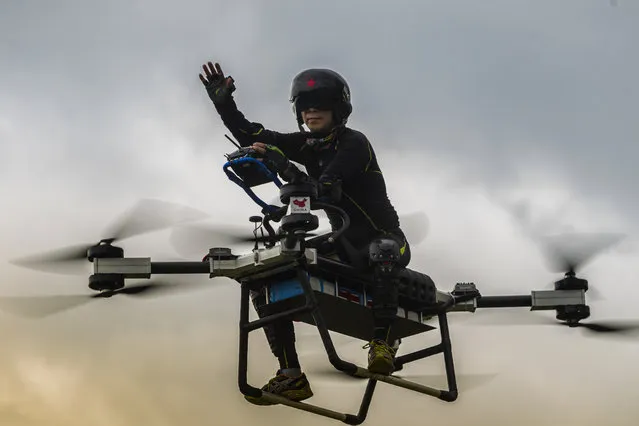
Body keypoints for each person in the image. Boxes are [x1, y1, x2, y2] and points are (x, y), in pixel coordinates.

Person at [198, 61, 411, 404]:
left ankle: (382, 343)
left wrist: (284, 165)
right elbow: (253, 136)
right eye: (305, 107)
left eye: (320, 106)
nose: (312, 113)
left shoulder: (355, 144)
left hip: (387, 244)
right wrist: (224, 104)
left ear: (338, 111)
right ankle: (291, 374)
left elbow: (326, 188)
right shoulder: (309, 146)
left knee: (382, 249)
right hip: (342, 245)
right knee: (266, 273)